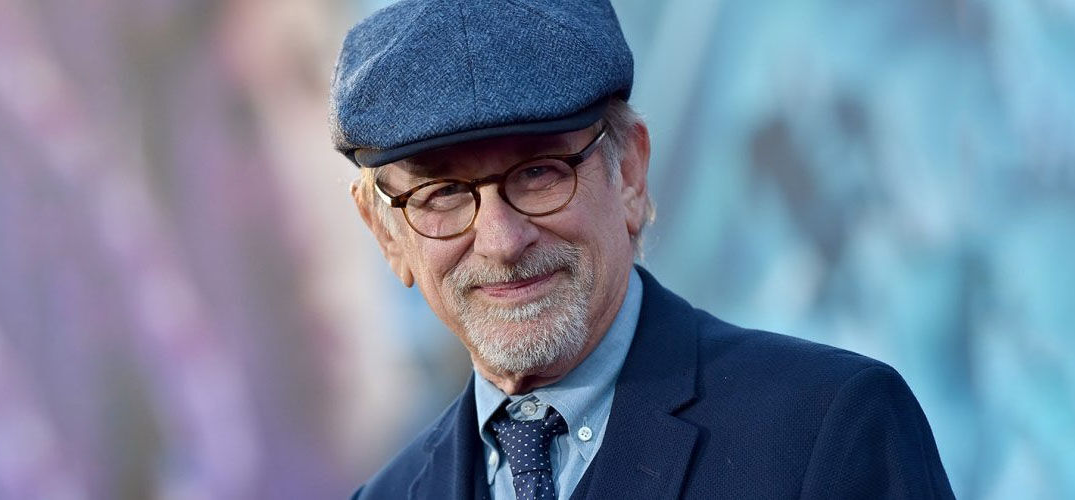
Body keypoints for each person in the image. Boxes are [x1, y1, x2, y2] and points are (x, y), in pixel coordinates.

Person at [330, 1, 954, 498]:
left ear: (629, 173)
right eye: (442, 192)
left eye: (539, 173)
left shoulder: (828, 431)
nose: (502, 242)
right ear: (386, 233)